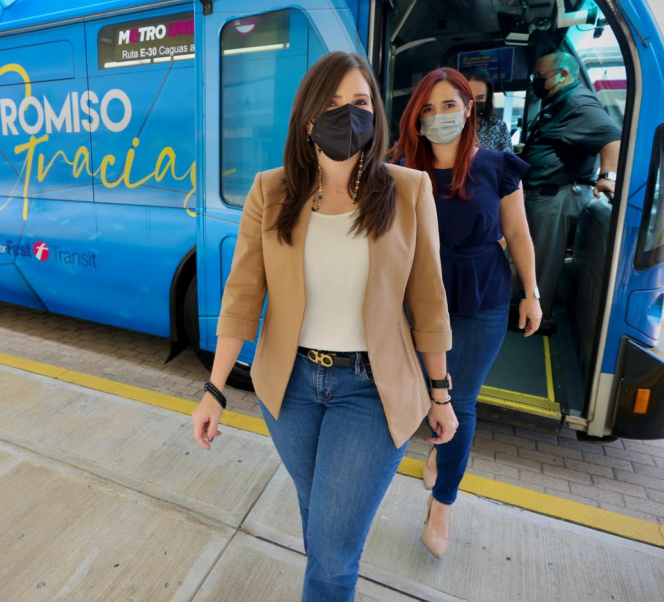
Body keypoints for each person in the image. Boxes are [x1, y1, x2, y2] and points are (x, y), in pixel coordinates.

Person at [191, 51, 456, 600]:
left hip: (371, 390)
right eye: (333, 103)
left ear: (375, 112)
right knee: (322, 525)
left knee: (332, 551)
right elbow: (242, 296)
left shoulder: (407, 190)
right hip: (289, 388)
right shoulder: (271, 191)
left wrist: (441, 394)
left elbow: (429, 303)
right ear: (308, 115)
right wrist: (214, 389)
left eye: (360, 102)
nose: (348, 114)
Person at [390, 67, 542, 560]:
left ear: (469, 108)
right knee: (428, 394)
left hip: (483, 295)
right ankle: (439, 442)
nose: (439, 117)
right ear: (416, 118)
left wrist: (532, 293)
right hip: (417, 296)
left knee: (461, 401)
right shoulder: (399, 167)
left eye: (449, 106)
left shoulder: (498, 166)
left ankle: (442, 504)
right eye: (428, 109)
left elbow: (517, 233)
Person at [522, 52, 620, 318]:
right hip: (546, 194)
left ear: (563, 75)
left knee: (543, 261)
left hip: (556, 195)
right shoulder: (558, 101)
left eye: (540, 76)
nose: (536, 81)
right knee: (536, 256)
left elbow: (612, 138)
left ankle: (536, 317)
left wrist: (607, 177)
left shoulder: (576, 101)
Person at [465, 68, 513, 152]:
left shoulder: (499, 129)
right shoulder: (448, 126)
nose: (473, 103)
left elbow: (507, 159)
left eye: (480, 98)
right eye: (468, 97)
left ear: (487, 98)